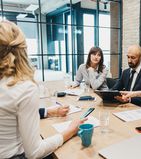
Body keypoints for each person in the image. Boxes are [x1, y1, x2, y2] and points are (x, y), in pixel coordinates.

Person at [0, 20, 86, 158]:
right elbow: (34, 153)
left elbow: (8, 114)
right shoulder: (24, 87)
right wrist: (70, 130)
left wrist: (48, 111)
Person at [112, 44, 141, 110]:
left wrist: (130, 99)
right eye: (128, 57)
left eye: (133, 58)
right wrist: (106, 94)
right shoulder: (125, 72)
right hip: (124, 107)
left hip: (139, 108)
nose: (129, 61)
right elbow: (115, 89)